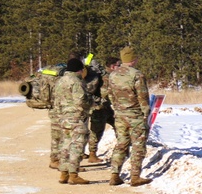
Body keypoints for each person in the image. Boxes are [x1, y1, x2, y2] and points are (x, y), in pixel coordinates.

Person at [103, 46, 152, 186]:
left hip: (120, 115)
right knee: (138, 146)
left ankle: (114, 174)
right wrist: (145, 113)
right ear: (134, 58)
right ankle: (135, 176)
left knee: (121, 144)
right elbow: (143, 97)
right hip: (135, 115)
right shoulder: (137, 75)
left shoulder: (113, 75)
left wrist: (117, 108)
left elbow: (110, 94)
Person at [54, 57, 92, 185]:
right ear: (78, 70)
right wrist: (90, 104)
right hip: (76, 117)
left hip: (64, 118)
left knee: (65, 145)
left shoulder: (60, 81)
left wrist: (60, 116)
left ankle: (63, 173)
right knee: (77, 145)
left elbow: (56, 102)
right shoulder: (76, 82)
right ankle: (73, 174)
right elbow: (80, 100)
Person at [83, 55, 116, 164]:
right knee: (96, 132)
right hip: (98, 108)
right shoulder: (105, 76)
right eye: (118, 65)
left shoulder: (108, 75)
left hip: (106, 107)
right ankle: (92, 155)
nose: (120, 67)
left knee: (118, 125)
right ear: (112, 66)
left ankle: (123, 149)